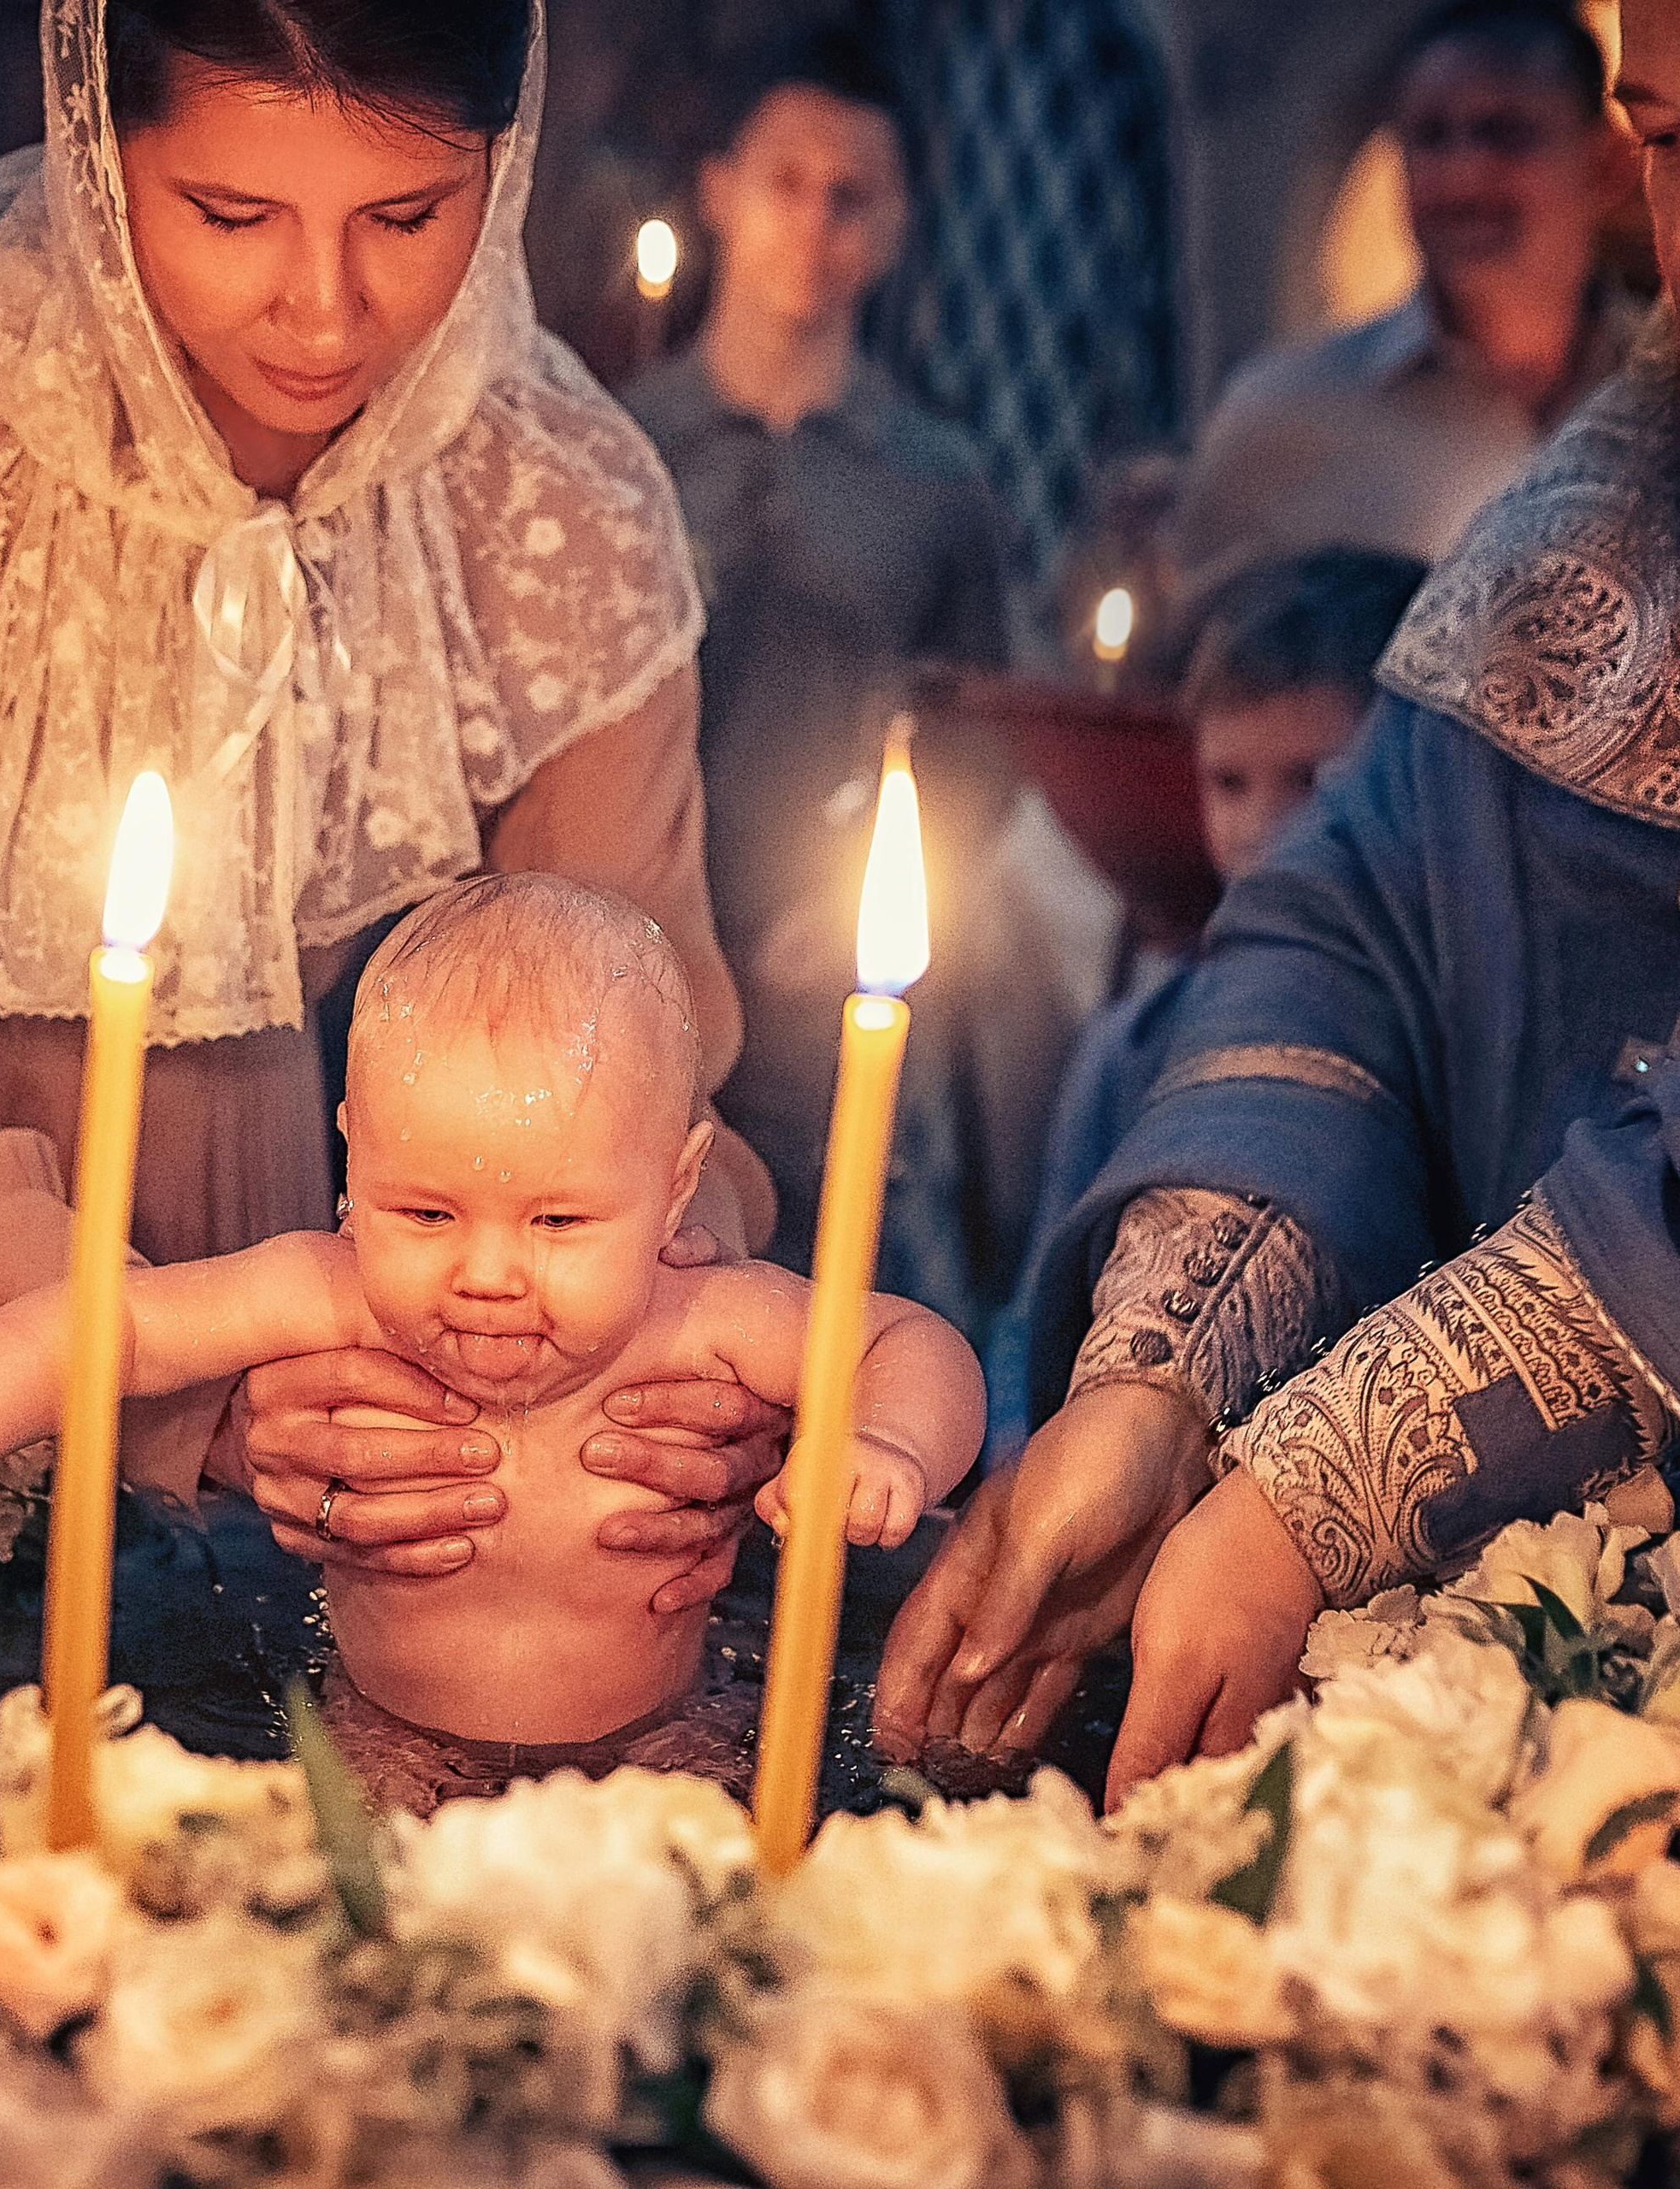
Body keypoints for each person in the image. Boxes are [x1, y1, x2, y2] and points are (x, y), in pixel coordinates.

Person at [0, 0, 783, 1614]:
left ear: (501, 173)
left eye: (407, 217)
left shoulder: (555, 499)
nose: (323, 309)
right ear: (99, 145)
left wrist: (658, 1303)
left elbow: (636, 1036)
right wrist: (180, 1377)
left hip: (253, 1208)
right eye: (230, 214)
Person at [874, 0, 1680, 1803]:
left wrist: (1318, 1485)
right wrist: (1157, 1380)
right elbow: (1353, 913)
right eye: (1669, 144)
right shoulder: (1599, 511)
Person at [0, 875, 981, 1767]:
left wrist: (887, 1447)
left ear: (675, 1189)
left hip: (663, 1751)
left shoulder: (706, 1321)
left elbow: (907, 1344)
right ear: (354, 1150)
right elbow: (104, 1324)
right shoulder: (329, 1293)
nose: (487, 1273)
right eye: (424, 1209)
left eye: (561, 1222)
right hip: (377, 1749)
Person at [625, 23, 1009, 1272]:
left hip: (817, 967)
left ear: (895, 227)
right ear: (722, 189)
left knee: (820, 1286)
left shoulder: (937, 484)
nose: (814, 225)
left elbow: (978, 738)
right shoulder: (619, 448)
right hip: (630, 946)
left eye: (853, 197)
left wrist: (864, 891)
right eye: (787, 183)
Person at [1014, 547, 1430, 1282]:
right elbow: (1046, 1307)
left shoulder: (1457, 1043)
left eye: (1312, 780)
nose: (1262, 831)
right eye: (1228, 784)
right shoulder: (1138, 1048)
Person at [1174, 0, 1643, 588]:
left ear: (1607, 162)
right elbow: (1193, 670)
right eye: (1431, 136)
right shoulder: (1279, 421)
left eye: (1506, 133)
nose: (1463, 176)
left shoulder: (1662, 399)